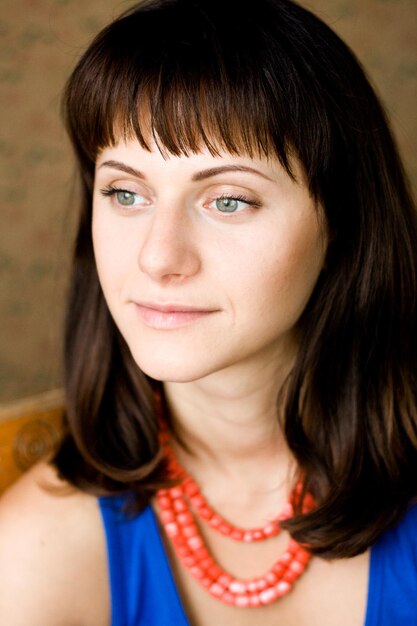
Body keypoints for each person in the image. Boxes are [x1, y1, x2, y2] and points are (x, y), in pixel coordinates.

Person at [1, 0, 416, 623]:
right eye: (125, 192)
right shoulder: (32, 555)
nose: (157, 257)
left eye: (228, 200)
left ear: (344, 225)